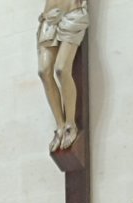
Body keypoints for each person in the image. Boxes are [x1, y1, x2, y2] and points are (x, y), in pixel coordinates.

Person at [37, 0, 90, 152]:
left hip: (72, 14)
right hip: (49, 18)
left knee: (61, 69)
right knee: (43, 72)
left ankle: (70, 124)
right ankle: (59, 126)